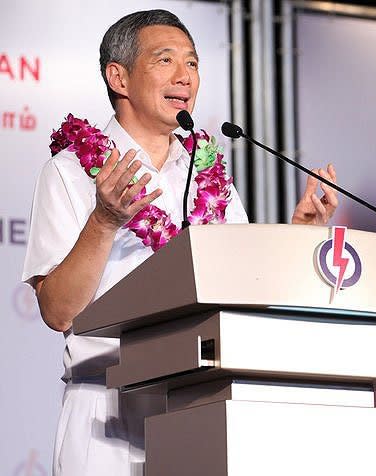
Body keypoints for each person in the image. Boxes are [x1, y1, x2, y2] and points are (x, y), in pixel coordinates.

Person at [21, 10, 338, 476]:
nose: (184, 77)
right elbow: (59, 311)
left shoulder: (209, 176)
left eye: (192, 64)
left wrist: (301, 234)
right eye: (165, 60)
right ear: (119, 77)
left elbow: (244, 286)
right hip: (107, 412)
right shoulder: (70, 171)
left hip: (201, 403)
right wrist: (105, 220)